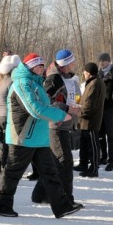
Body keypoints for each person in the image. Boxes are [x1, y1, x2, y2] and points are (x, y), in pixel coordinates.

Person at [0, 53, 83, 219]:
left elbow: (46, 105)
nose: (42, 68)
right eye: (38, 65)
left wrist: (56, 115)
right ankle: (3, 205)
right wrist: (61, 115)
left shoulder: (36, 83)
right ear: (29, 67)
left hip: (39, 137)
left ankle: (62, 206)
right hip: (23, 137)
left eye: (43, 65)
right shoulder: (22, 84)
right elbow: (35, 109)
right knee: (12, 173)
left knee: (50, 173)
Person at [31, 49, 81, 206]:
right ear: (65, 64)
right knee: (64, 162)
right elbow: (47, 102)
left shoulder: (66, 77)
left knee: (55, 161)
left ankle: (39, 194)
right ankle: (65, 199)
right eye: (72, 62)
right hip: (56, 125)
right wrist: (68, 109)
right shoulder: (54, 79)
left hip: (64, 124)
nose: (74, 64)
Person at [0, 54, 21, 185]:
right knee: (8, 147)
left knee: (3, 146)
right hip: (8, 115)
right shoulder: (11, 81)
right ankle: (0, 173)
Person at [77, 62, 106, 177]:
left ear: (88, 73)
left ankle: (94, 168)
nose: (83, 74)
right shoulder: (93, 82)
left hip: (91, 120)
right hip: (86, 120)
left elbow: (90, 103)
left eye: (84, 72)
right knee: (84, 144)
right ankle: (83, 164)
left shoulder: (95, 83)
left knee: (93, 145)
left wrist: (80, 113)